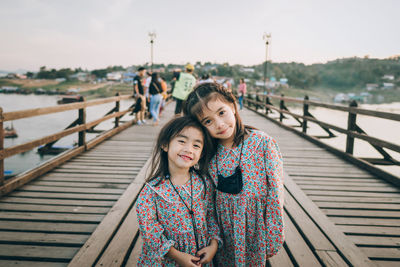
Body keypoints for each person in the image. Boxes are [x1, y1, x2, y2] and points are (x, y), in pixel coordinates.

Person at [183, 82, 284, 266]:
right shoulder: (208, 155)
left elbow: (275, 193)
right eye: (208, 121)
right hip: (224, 233)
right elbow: (209, 203)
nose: (219, 124)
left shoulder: (262, 143)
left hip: (255, 230)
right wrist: (213, 239)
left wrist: (274, 233)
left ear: (233, 105)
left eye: (221, 113)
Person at [136, 116, 221, 266]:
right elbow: (150, 231)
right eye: (181, 141)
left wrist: (213, 245)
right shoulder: (152, 191)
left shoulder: (204, 183)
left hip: (200, 256)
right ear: (165, 144)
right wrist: (177, 256)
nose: (188, 149)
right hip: (168, 260)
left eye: (196, 146)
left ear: (201, 154)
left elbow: (211, 216)